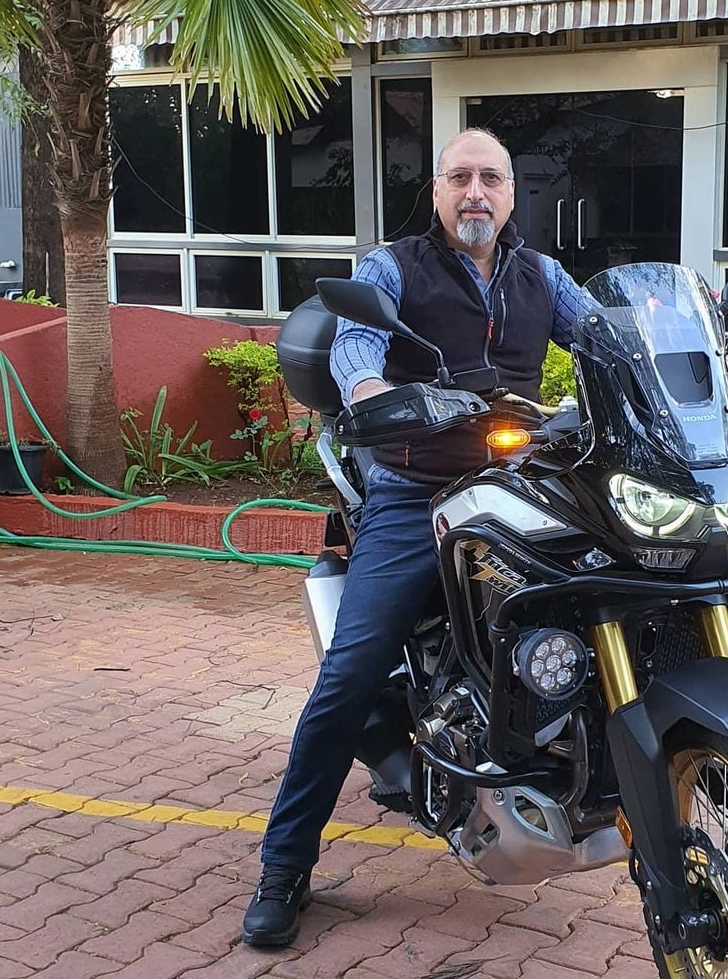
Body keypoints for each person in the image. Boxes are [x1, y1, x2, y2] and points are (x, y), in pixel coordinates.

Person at [241, 128, 594, 947]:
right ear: (437, 190)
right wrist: (374, 392)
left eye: (492, 179)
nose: (477, 193)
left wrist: (691, 361)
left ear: (512, 195)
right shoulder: (391, 267)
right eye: (461, 177)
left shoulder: (543, 276)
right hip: (415, 486)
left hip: (520, 485)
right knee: (351, 674)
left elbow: (605, 336)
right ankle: (284, 866)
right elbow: (358, 346)